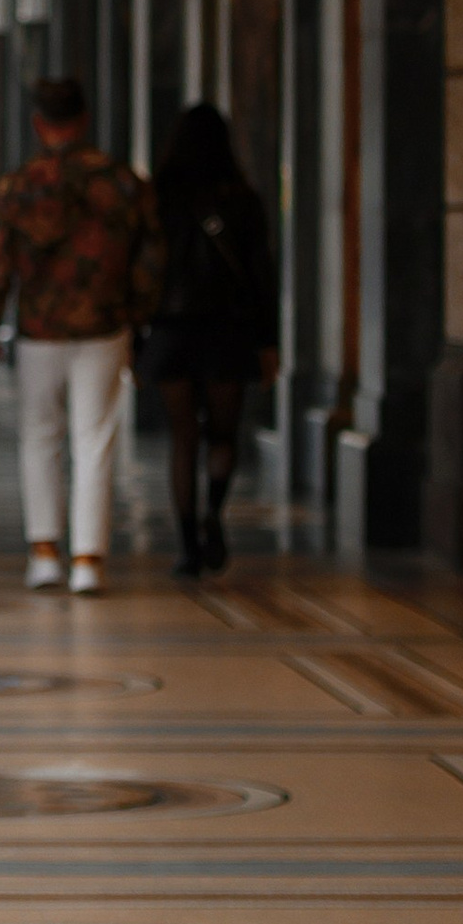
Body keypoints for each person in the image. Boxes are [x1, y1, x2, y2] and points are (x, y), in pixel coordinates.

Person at [0, 73, 162, 597]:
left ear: (40, 124)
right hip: (106, 325)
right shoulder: (125, 181)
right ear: (83, 120)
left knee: (39, 435)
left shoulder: (18, 185)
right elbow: (152, 257)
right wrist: (138, 314)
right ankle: (89, 560)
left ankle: (44, 554)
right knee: (96, 438)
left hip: (39, 328)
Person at [140, 100, 279, 576]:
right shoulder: (242, 199)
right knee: (222, 434)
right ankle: (213, 517)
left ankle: (186, 545)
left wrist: (136, 331)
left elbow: (144, 270)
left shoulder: (158, 198)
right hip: (228, 330)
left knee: (183, 437)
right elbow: (262, 276)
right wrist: (268, 342)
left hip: (172, 331)